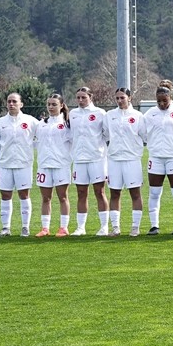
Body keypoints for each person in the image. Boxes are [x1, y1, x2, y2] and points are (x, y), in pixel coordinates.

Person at [143, 80, 173, 235]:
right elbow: (142, 132)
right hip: (155, 157)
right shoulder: (150, 114)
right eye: (159, 101)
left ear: (170, 98)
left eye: (165, 100)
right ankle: (154, 225)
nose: (162, 104)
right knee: (155, 193)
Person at [0, 92, 38, 237]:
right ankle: (6, 228)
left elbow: (43, 135)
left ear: (21, 104)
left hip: (24, 164)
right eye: (9, 102)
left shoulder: (30, 121)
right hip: (5, 164)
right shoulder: (0, 123)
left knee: (24, 195)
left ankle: (25, 227)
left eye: (14, 102)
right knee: (5, 195)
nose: (11, 104)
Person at [104, 87, 146, 236]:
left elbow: (144, 136)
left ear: (129, 98)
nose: (120, 101)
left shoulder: (138, 116)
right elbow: (106, 134)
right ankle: (115, 227)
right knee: (115, 193)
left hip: (132, 159)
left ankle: (135, 227)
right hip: (114, 159)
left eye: (122, 97)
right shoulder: (109, 115)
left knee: (135, 193)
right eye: (117, 98)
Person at [68, 86, 110, 236]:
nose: (80, 100)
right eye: (78, 97)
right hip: (79, 159)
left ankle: (104, 226)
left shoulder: (100, 113)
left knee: (99, 191)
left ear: (90, 97)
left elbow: (106, 134)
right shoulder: (72, 114)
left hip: (96, 158)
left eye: (83, 97)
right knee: (81, 193)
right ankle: (81, 227)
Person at [34, 93, 73, 237]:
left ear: (61, 105)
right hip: (44, 165)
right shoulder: (41, 124)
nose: (51, 107)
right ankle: (45, 228)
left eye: (54, 104)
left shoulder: (67, 123)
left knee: (63, 197)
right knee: (45, 198)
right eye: (49, 104)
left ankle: (63, 228)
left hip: (61, 165)